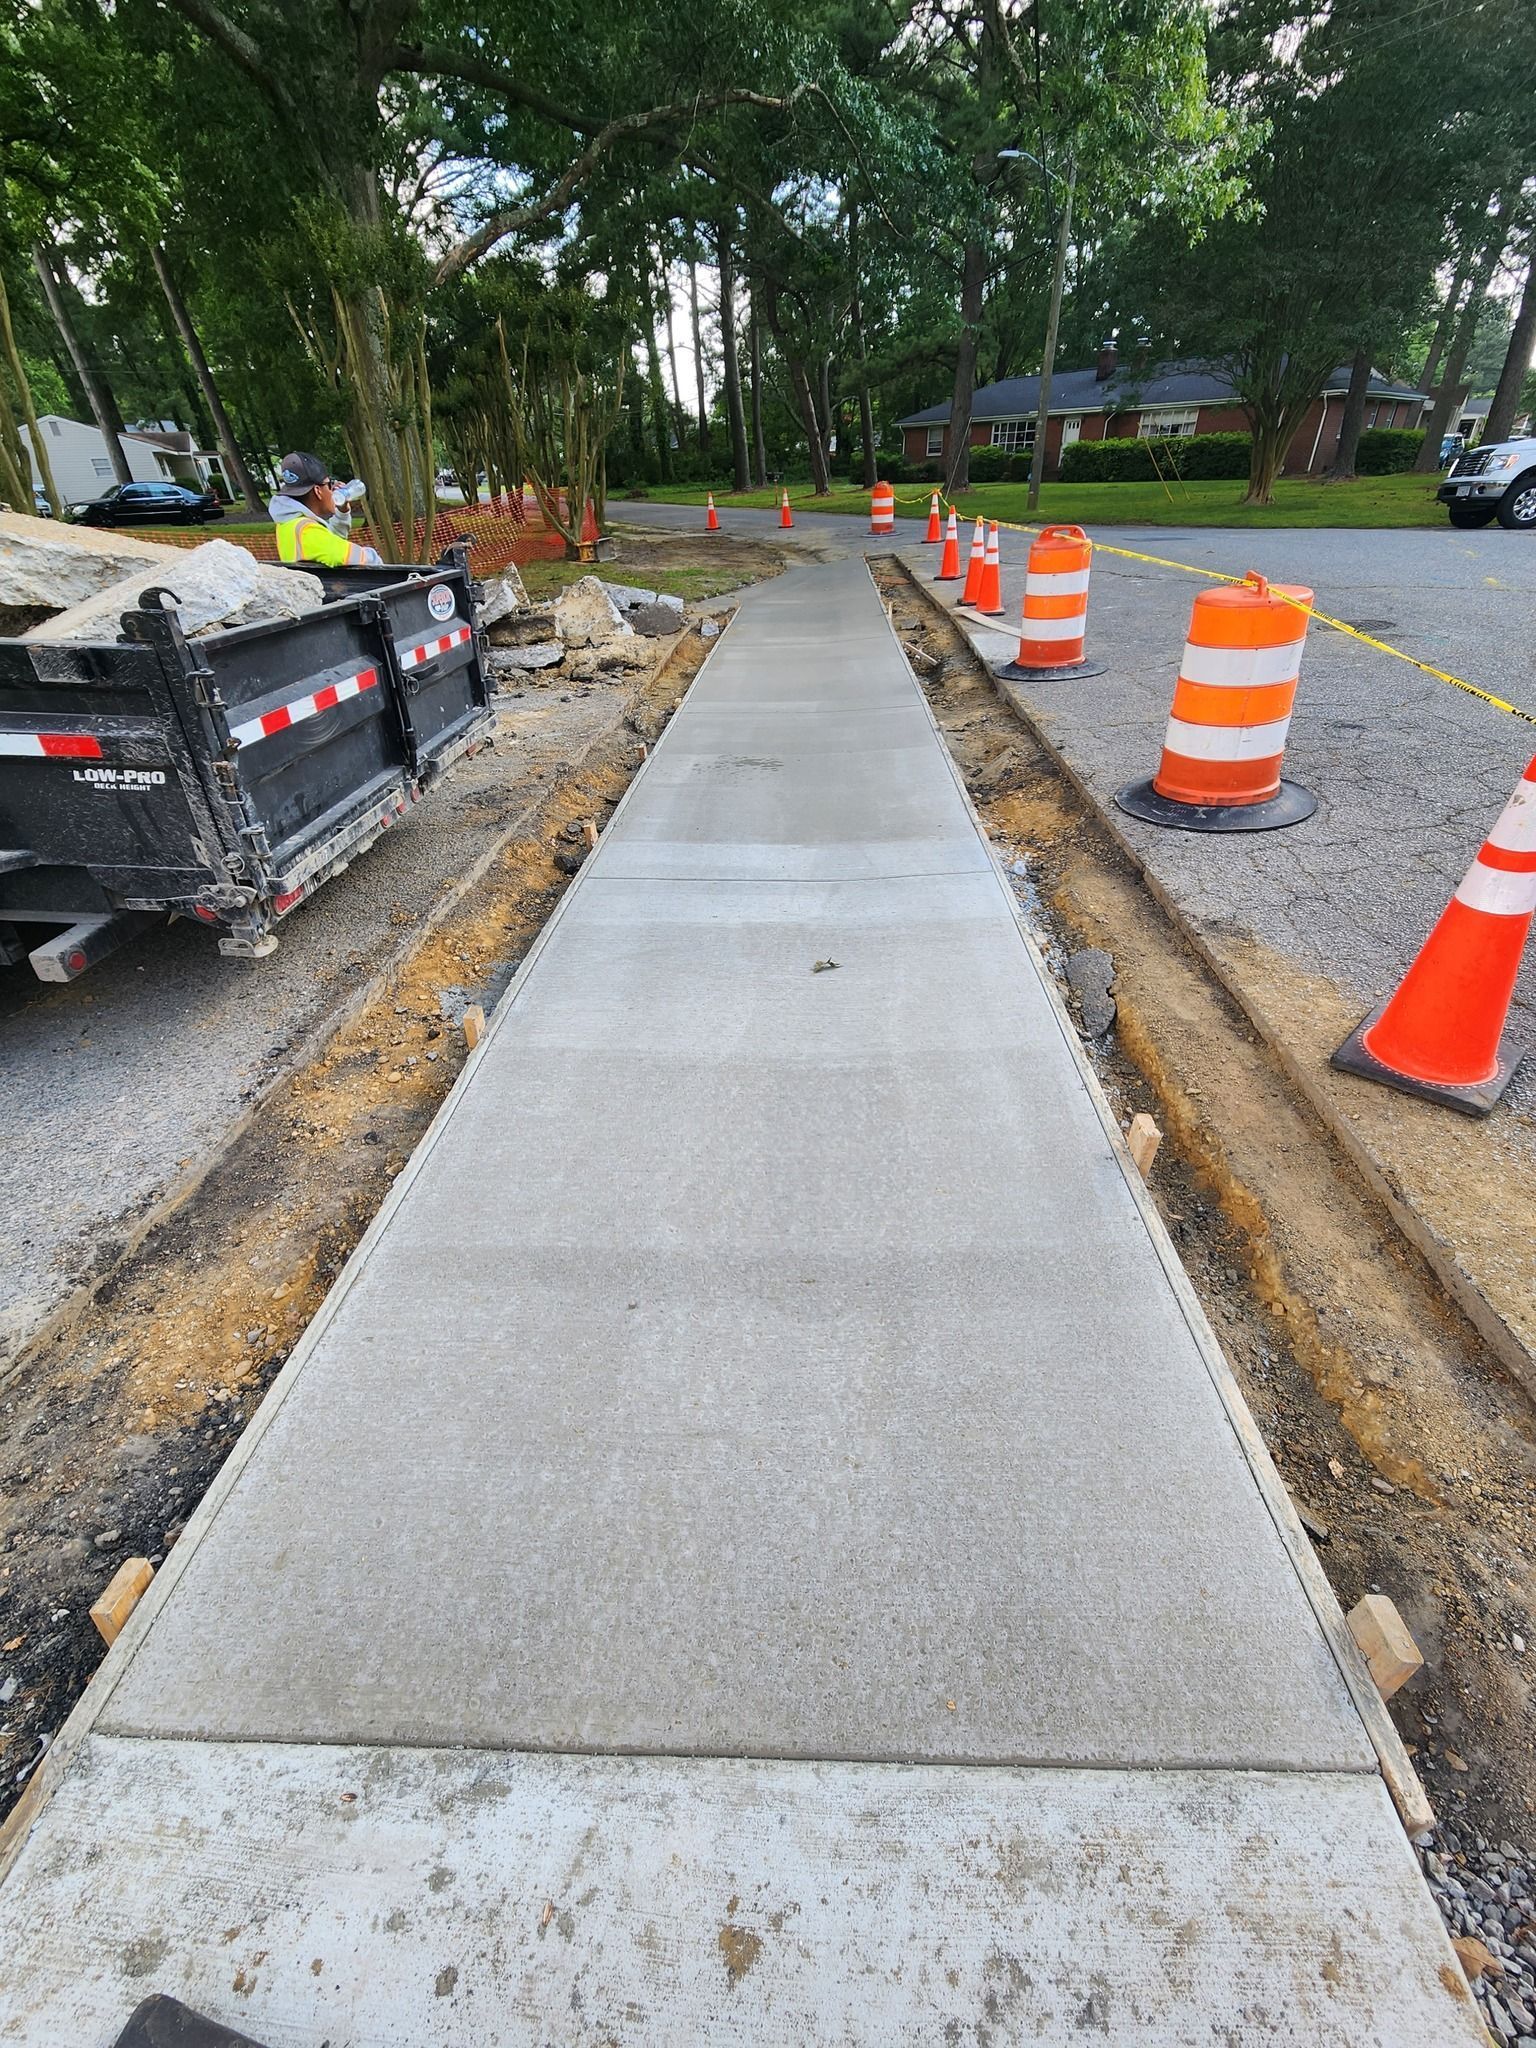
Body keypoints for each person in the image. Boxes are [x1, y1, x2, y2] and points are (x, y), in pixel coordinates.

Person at [268, 451, 381, 567]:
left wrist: (342, 512)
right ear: (318, 491)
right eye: (329, 484)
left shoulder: (289, 522)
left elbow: (330, 542)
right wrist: (373, 557)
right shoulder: (306, 530)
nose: (333, 489)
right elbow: (345, 556)